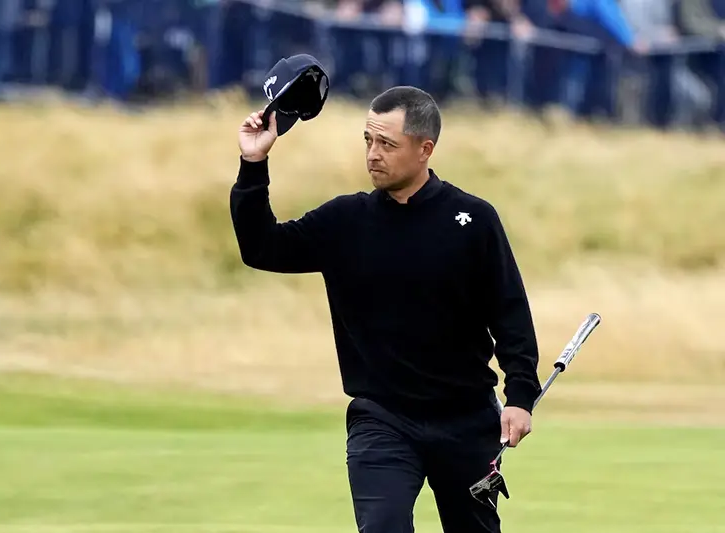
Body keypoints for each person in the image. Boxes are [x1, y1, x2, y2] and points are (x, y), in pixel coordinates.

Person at [230, 85, 541, 533]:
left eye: (387, 144)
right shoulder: (345, 221)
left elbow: (509, 312)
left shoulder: (473, 221)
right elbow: (261, 248)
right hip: (382, 418)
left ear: (424, 149)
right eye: (368, 141)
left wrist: (520, 396)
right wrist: (253, 163)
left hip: (467, 419)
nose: (373, 155)